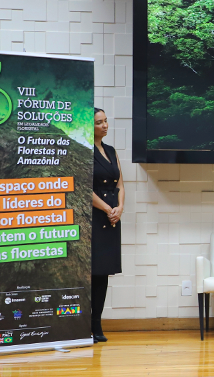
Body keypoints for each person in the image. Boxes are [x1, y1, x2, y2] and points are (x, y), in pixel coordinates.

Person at [91, 107, 124, 344]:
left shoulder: (112, 151)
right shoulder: (83, 151)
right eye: (99, 122)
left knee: (103, 274)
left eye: (105, 121)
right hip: (94, 216)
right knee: (90, 273)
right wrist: (106, 208)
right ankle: (82, 324)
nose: (105, 126)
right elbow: (83, 187)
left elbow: (120, 183)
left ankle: (97, 325)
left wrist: (119, 209)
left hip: (112, 216)